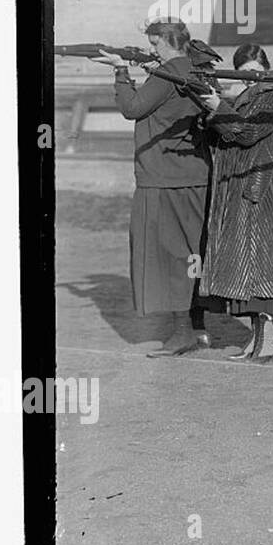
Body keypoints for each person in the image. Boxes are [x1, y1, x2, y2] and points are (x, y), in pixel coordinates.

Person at [91, 19, 216, 356]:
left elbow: (132, 108)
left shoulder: (167, 72)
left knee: (167, 256)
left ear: (166, 42)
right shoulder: (194, 68)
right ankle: (196, 327)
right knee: (192, 254)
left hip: (162, 177)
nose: (151, 50)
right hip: (191, 174)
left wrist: (120, 72)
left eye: (154, 44)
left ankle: (182, 333)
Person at [193, 44, 273, 362]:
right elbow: (227, 134)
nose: (249, 78)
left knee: (263, 262)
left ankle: (269, 341)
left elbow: (248, 132)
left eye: (254, 70)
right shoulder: (243, 98)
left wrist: (218, 108)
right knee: (246, 264)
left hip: (259, 187)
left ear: (264, 67)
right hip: (239, 186)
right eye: (244, 72)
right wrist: (210, 113)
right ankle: (258, 339)